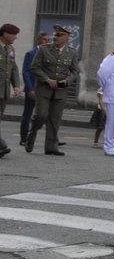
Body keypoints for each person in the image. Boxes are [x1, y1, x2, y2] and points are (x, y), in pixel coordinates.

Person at [28, 25, 81, 156]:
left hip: (60, 91)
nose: (56, 37)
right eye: (55, 35)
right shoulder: (44, 49)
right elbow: (34, 68)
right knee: (41, 115)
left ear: (67, 37)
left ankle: (51, 147)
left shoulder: (72, 52)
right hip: (44, 89)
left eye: (59, 35)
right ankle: (32, 133)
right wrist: (46, 79)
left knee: (54, 119)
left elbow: (75, 72)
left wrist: (66, 81)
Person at [19, 31, 46, 145]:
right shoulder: (31, 53)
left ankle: (52, 139)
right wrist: (30, 89)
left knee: (48, 114)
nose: (47, 41)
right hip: (33, 89)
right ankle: (24, 138)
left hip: (44, 89)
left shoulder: (48, 53)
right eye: (45, 39)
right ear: (38, 40)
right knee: (28, 114)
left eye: (48, 40)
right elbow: (26, 72)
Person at [0, 24, 21, 159]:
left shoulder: (10, 49)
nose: (15, 37)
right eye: (14, 35)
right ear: (6, 34)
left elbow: (13, 69)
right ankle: (1, 145)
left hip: (3, 91)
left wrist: (17, 86)